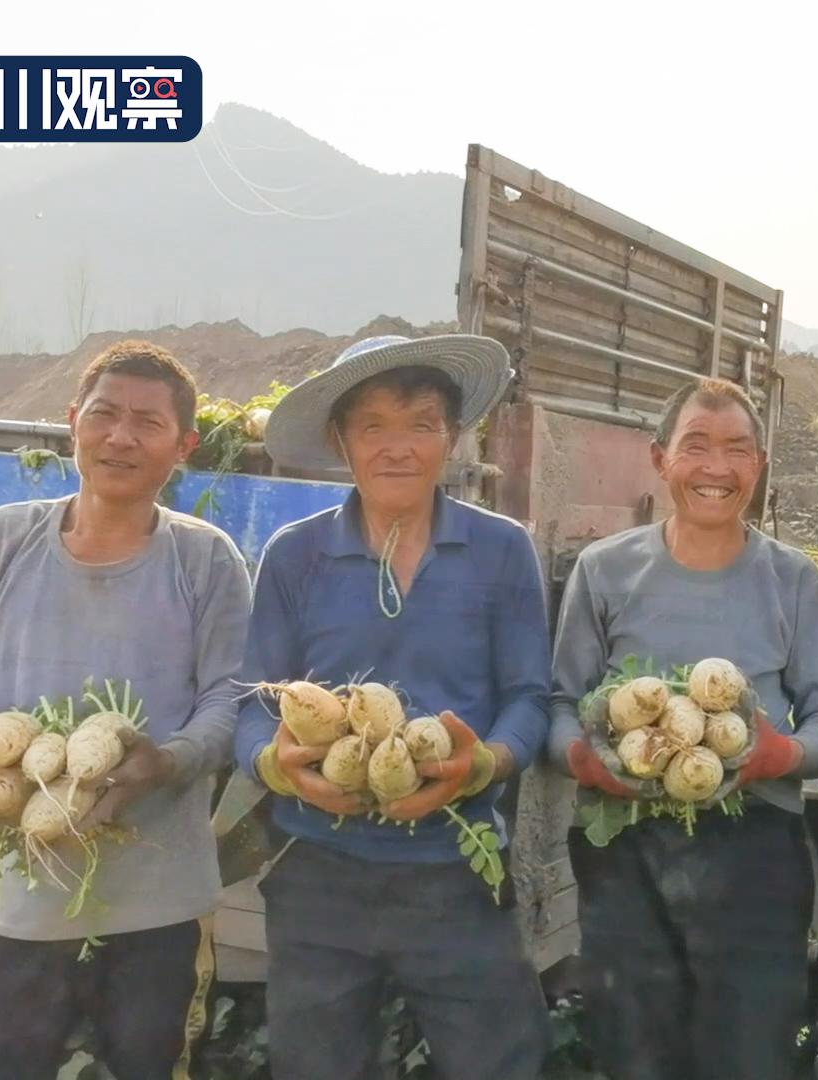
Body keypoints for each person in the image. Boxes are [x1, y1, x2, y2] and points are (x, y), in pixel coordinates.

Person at [0, 340, 253, 1080]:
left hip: (158, 910)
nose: (121, 437)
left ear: (183, 445)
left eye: (147, 424)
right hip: (15, 902)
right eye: (105, 414)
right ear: (71, 422)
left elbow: (231, 698)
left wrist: (169, 760)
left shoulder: (206, 560)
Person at [234, 333, 553, 1080]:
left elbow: (529, 700)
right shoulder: (294, 554)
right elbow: (250, 705)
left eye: (419, 423)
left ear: (451, 436)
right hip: (317, 871)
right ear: (342, 441)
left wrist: (484, 764)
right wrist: (279, 768)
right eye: (372, 426)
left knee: (499, 1064)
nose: (397, 447)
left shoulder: (503, 551)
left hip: (457, 870)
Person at [547, 377, 818, 1080]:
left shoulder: (793, 579)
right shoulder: (605, 570)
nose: (717, 469)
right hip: (625, 848)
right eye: (697, 447)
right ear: (660, 459)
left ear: (760, 463)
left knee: (749, 1056)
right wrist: (583, 760)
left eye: (737, 450)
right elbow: (561, 703)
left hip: (755, 852)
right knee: (634, 1052)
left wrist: (780, 756)